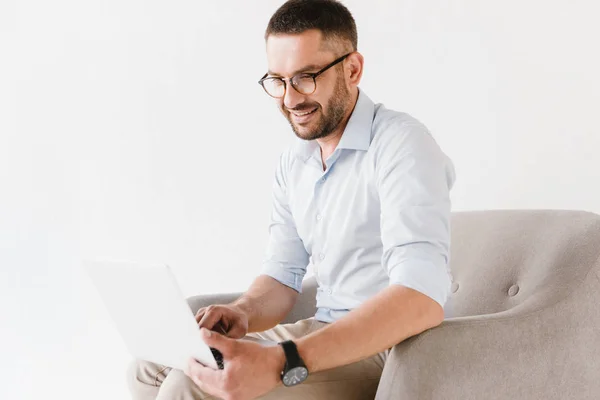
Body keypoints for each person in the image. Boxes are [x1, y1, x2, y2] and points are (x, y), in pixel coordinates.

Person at [128, 0, 456, 399]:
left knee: (190, 387)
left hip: (388, 349)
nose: (289, 99)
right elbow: (283, 276)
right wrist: (244, 311)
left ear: (352, 69)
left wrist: (284, 360)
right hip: (323, 331)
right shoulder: (296, 161)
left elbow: (420, 299)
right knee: (149, 366)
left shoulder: (402, 144)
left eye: (305, 77)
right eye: (278, 81)